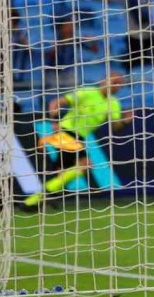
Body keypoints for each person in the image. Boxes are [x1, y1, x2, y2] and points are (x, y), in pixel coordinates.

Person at [24, 74, 132, 207]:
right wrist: (54, 116)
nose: (116, 86)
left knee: (62, 171)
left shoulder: (114, 103)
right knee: (85, 164)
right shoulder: (87, 92)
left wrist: (125, 121)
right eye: (114, 82)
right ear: (104, 81)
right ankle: (41, 198)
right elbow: (58, 102)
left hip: (78, 137)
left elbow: (115, 126)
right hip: (66, 131)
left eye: (119, 84)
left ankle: (35, 201)